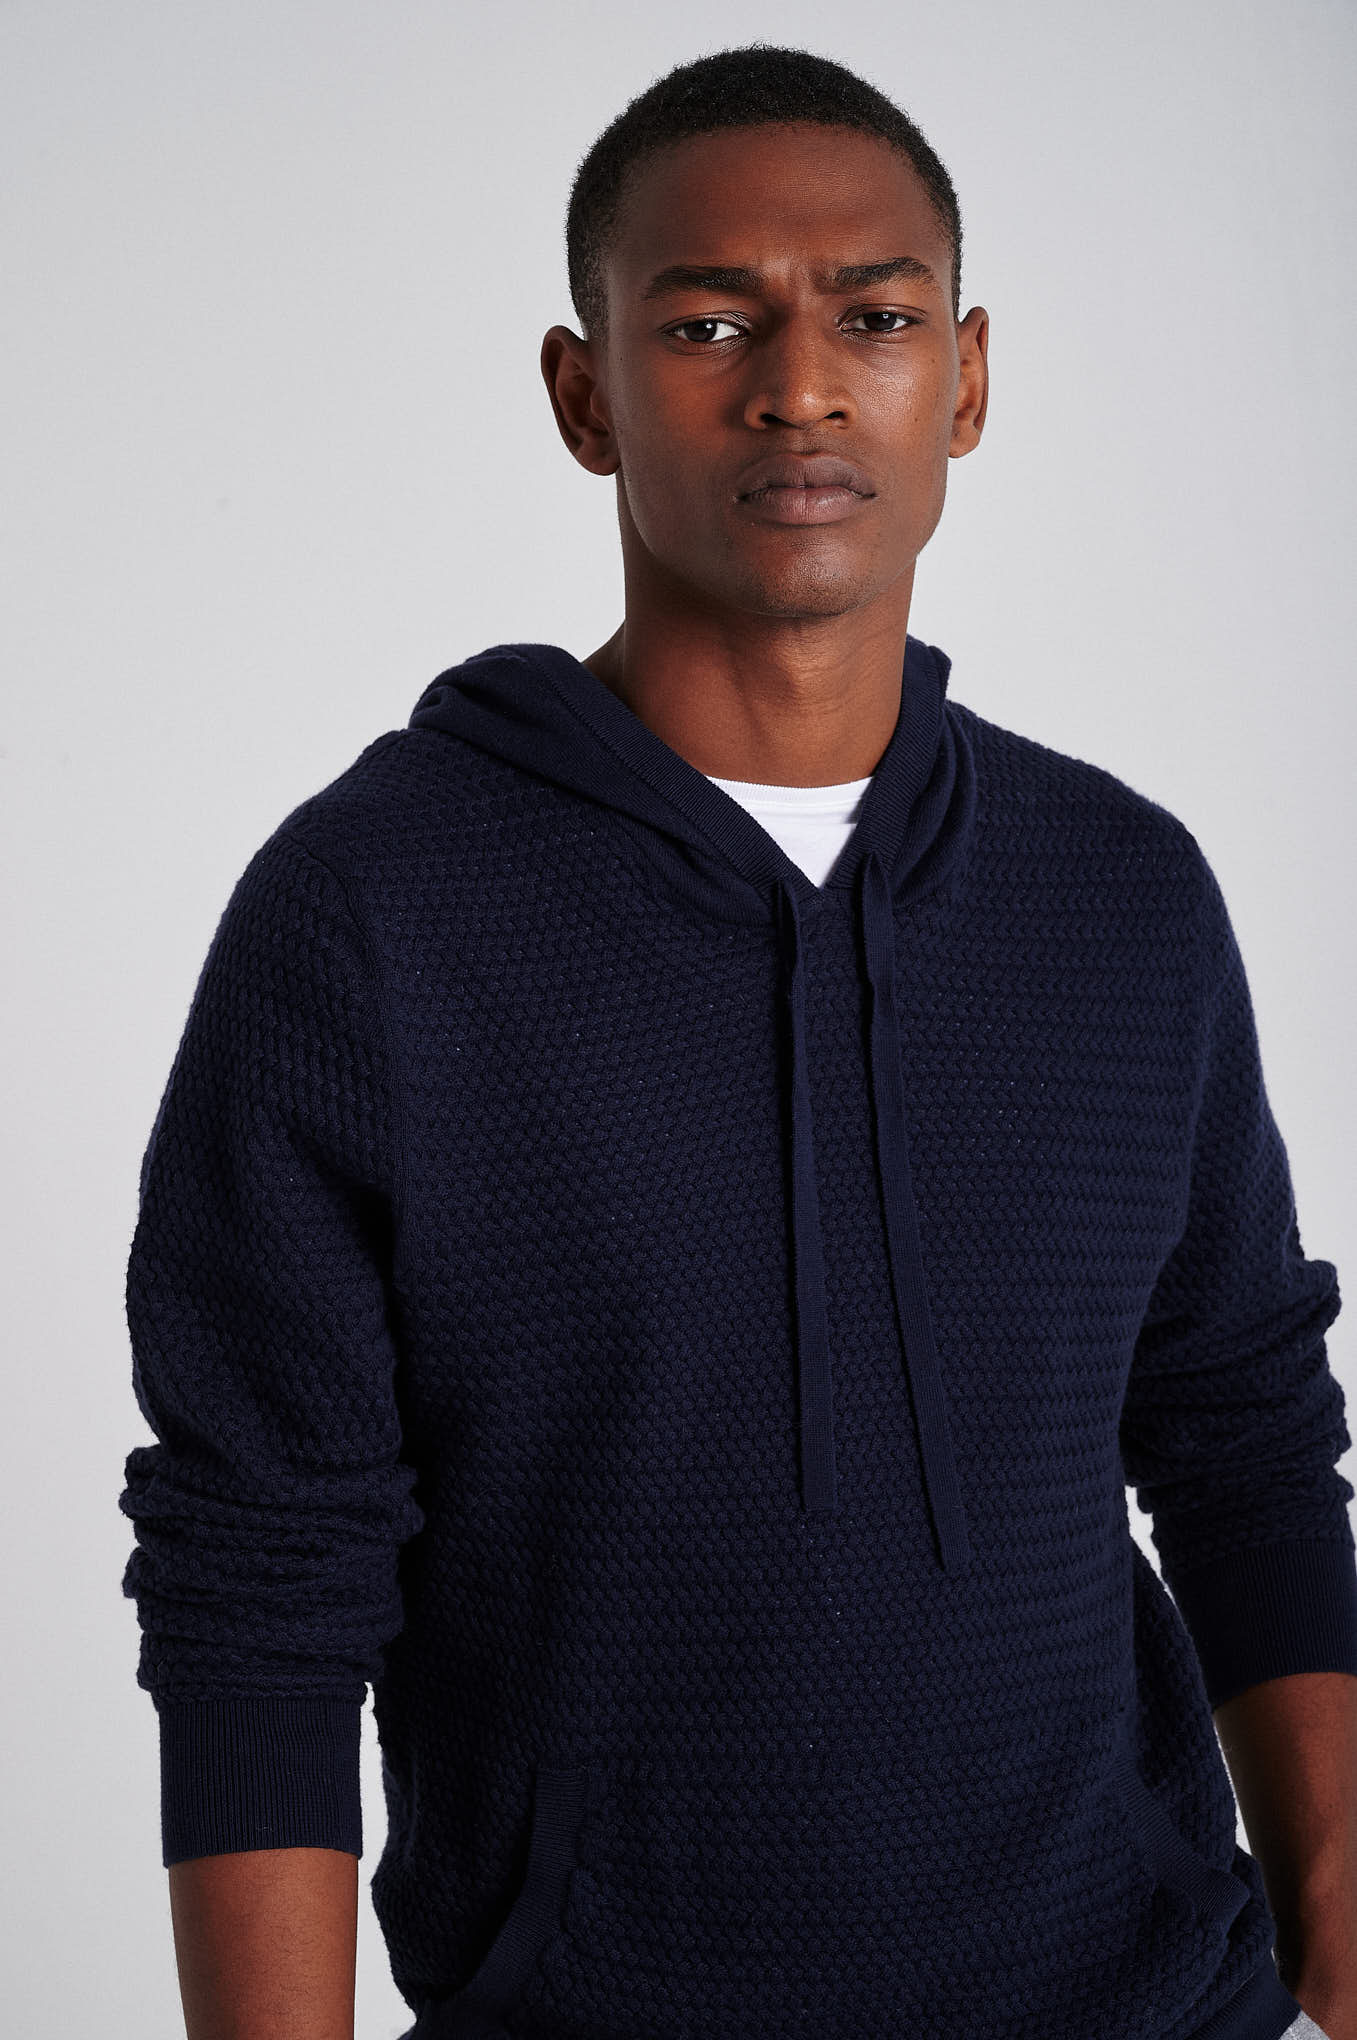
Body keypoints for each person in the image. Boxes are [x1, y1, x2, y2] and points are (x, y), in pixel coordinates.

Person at [118, 41, 1356, 2040]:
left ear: (963, 381)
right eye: (708, 324)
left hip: (1144, 2002)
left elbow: (1242, 1431)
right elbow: (261, 1569)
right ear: (584, 395)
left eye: (873, 318)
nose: (798, 386)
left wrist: (1331, 1903)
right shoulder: (368, 917)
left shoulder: (1121, 893)